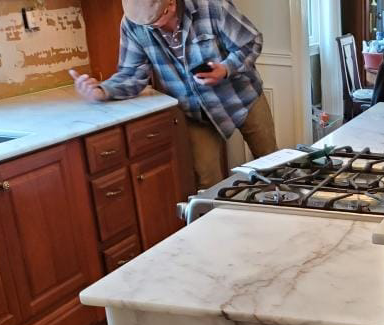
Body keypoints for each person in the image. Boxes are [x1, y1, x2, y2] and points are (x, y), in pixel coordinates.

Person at [70, 0, 278, 189]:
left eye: (158, 19)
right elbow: (132, 74)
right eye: (148, 25)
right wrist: (103, 90)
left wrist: (225, 69)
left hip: (243, 97)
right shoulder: (134, 23)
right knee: (206, 180)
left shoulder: (212, 6)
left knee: (271, 164)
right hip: (195, 112)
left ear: (170, 3)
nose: (154, 27)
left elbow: (250, 42)